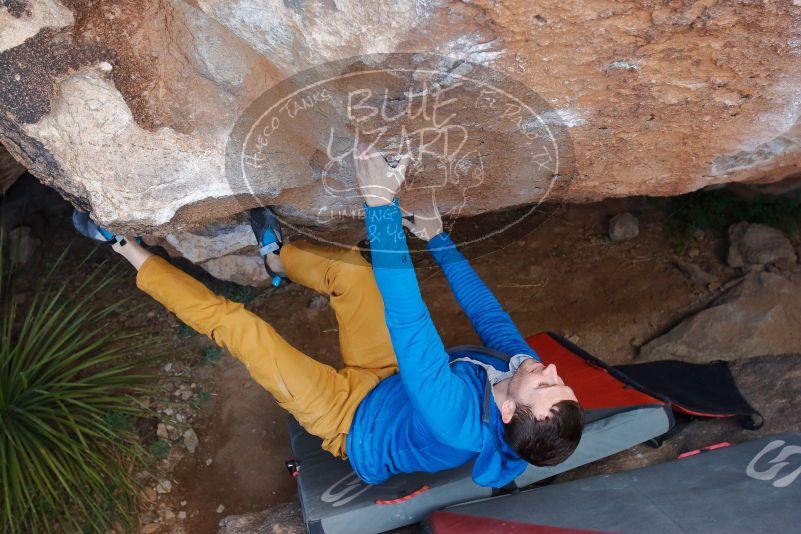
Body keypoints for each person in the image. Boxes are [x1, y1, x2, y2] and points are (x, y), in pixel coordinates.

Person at [72, 147, 583, 488]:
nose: (553, 371)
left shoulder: (456, 422)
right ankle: (275, 258)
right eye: (563, 383)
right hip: (392, 382)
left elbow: (411, 319)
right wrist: (438, 238)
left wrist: (380, 205)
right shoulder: (523, 372)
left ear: (512, 414)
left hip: (350, 421)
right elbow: (487, 313)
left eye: (547, 386)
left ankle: (123, 246)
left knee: (242, 329)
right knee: (354, 275)